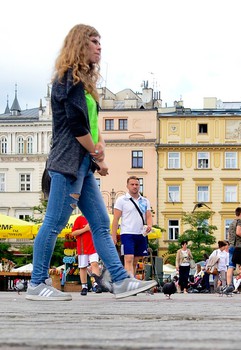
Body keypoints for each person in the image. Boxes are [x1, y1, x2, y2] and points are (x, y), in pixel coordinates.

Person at [26, 24, 156, 301]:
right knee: (53, 223)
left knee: (100, 222)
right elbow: (75, 126)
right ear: (79, 45)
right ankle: (36, 283)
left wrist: (100, 151)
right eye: (94, 42)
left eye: (100, 42)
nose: (100, 47)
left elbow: (92, 126)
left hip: (83, 165)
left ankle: (120, 281)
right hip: (67, 164)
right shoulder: (67, 80)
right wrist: (97, 154)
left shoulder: (85, 84)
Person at [111, 176, 153, 277]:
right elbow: (116, 219)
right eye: (132, 184)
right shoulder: (122, 200)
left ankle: (132, 280)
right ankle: (129, 282)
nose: (135, 186)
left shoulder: (144, 201)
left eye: (137, 184)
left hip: (141, 234)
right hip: (127, 233)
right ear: (127, 186)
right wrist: (113, 235)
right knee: (128, 258)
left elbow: (148, 215)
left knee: (136, 260)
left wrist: (150, 225)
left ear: (139, 186)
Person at [70, 215, 102, 295]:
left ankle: (96, 284)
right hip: (82, 247)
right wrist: (85, 229)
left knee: (95, 263)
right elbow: (73, 233)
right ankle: (84, 286)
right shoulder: (79, 219)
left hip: (94, 246)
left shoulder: (95, 217)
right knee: (83, 267)